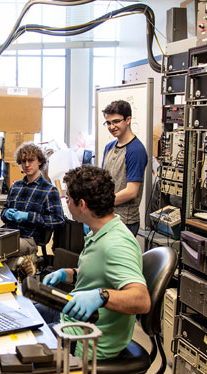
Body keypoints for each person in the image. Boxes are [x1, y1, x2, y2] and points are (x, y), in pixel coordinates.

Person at [38, 166, 150, 360]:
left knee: (20, 344)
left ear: (81, 205)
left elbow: (142, 300)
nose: (67, 203)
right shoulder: (100, 230)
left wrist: (101, 296)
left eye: (69, 199)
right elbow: (101, 273)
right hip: (74, 319)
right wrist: (68, 273)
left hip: (87, 339)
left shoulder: (116, 244)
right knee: (23, 313)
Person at [1, 142, 64, 276]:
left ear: (40, 161)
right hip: (8, 233)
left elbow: (58, 220)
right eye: (23, 161)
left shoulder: (49, 190)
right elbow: (4, 212)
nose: (27, 165)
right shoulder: (16, 186)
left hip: (29, 238)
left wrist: (28, 216)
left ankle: (24, 261)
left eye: (31, 160)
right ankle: (20, 262)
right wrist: (6, 213)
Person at [100, 100, 148, 237]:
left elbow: (131, 192)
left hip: (125, 221)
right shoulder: (109, 147)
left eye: (116, 121)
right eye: (108, 123)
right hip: (107, 216)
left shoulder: (136, 150)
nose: (112, 126)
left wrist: (101, 202)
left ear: (128, 120)